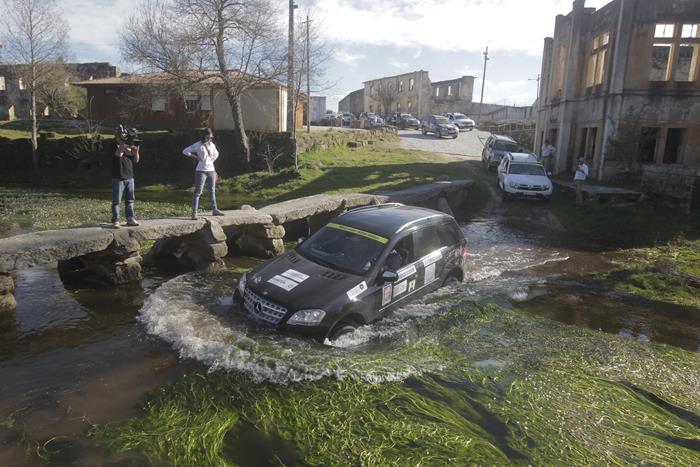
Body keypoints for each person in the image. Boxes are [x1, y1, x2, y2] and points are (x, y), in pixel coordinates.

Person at [183, 129, 224, 219]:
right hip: (201, 171)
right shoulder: (198, 144)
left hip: (211, 171)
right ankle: (194, 213)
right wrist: (195, 156)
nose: (209, 139)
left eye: (211, 137)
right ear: (204, 136)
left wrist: (211, 160)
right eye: (208, 137)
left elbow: (217, 154)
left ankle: (215, 210)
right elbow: (185, 151)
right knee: (198, 192)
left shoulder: (212, 145)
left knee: (212, 191)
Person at [111, 124, 140, 228]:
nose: (124, 135)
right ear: (117, 135)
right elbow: (119, 154)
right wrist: (124, 146)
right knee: (117, 201)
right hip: (118, 177)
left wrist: (136, 151)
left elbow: (136, 160)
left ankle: (130, 218)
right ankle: (116, 220)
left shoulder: (129, 145)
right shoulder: (113, 145)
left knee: (130, 200)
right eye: (122, 133)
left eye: (125, 133)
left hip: (130, 177)